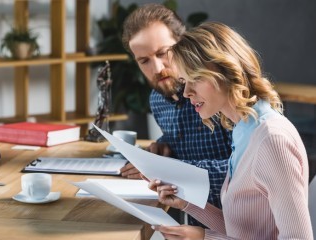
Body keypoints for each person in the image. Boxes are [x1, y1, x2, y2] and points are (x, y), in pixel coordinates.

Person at [149, 22, 313, 239]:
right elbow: (242, 229)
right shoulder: (243, 130)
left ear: (224, 71)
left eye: (195, 79)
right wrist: (187, 203)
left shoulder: (272, 140)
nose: (186, 92)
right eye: (184, 82)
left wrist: (204, 237)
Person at [119, 3, 231, 226]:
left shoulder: (217, 93)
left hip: (241, 222)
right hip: (192, 220)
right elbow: (181, 141)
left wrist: (174, 170)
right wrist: (161, 148)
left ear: (183, 44)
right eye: (144, 61)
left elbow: (246, 170)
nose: (157, 68)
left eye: (163, 53)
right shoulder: (157, 99)